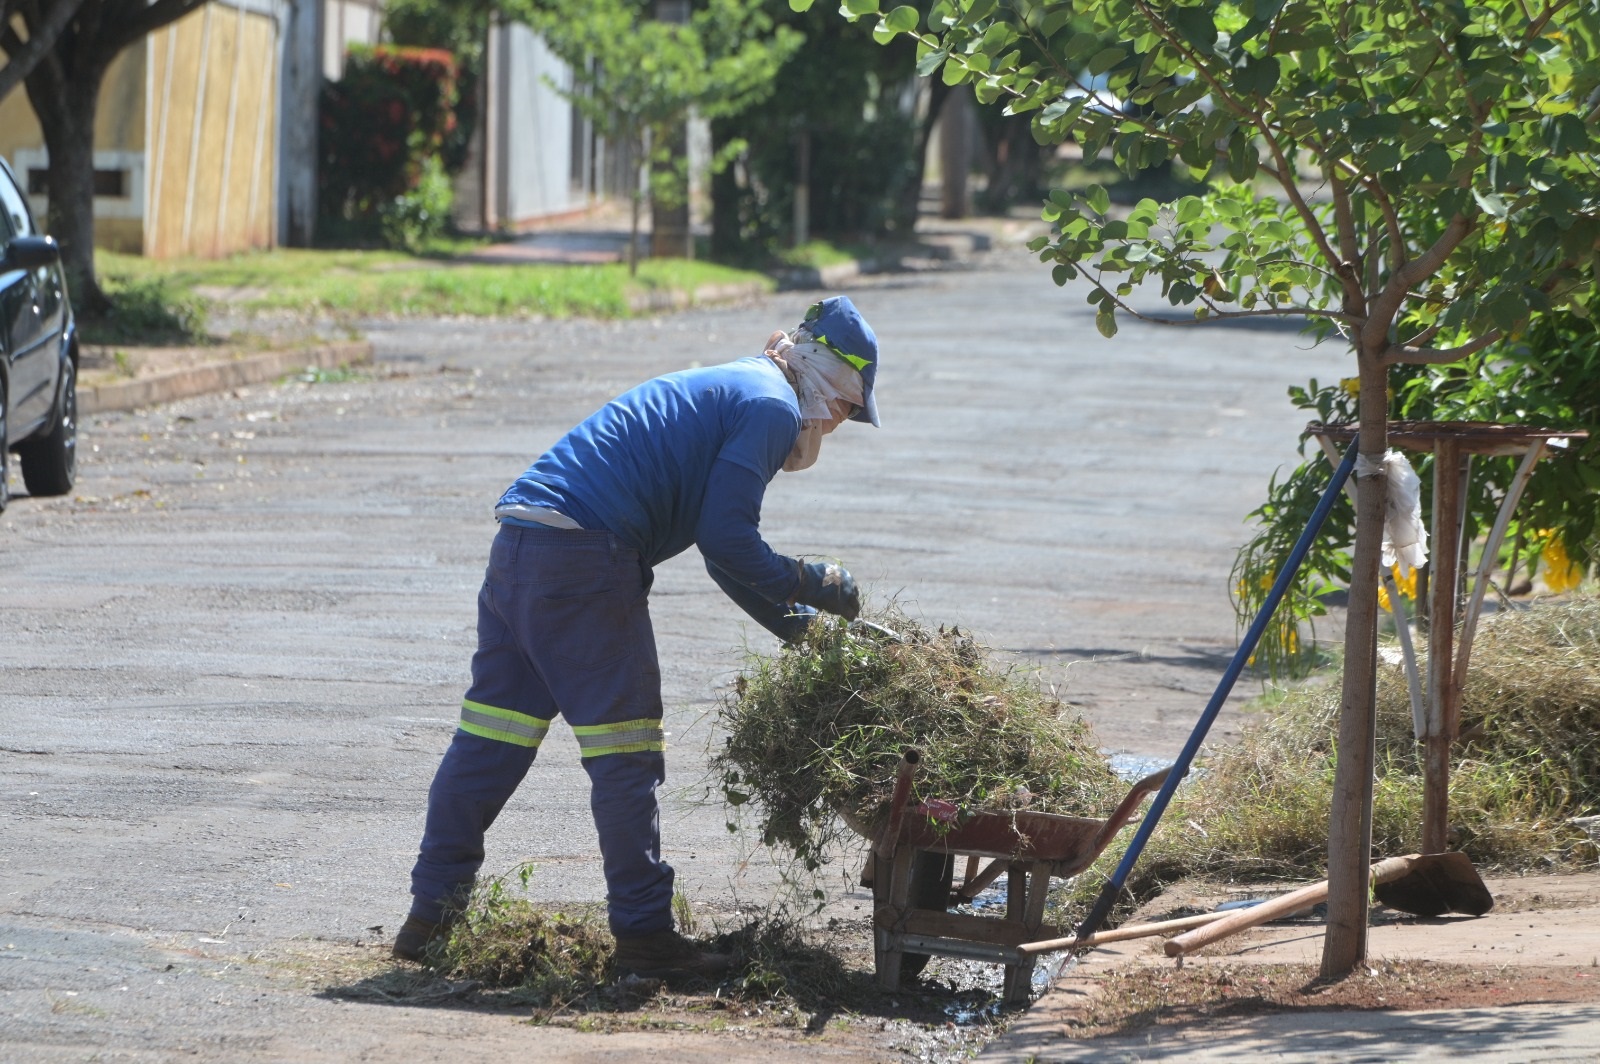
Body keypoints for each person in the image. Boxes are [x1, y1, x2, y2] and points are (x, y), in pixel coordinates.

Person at [393, 296, 881, 979]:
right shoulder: (771, 406)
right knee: (625, 752)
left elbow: (724, 557)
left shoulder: (742, 384)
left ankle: (430, 916)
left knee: (489, 743)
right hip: (587, 560)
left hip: (525, 547)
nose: (839, 426)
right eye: (849, 411)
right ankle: (646, 933)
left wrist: (807, 634)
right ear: (833, 382)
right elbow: (730, 542)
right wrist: (818, 582)